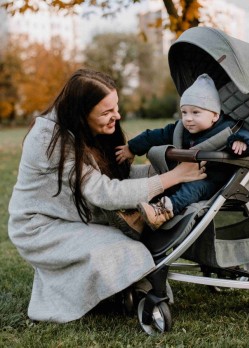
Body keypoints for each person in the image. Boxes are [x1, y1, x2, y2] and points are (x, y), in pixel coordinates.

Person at [7, 68, 207, 323]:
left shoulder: (88, 133)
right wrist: (174, 177)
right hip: (40, 229)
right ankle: (125, 291)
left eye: (116, 107)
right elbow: (104, 192)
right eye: (107, 112)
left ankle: (124, 287)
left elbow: (117, 178)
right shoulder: (50, 141)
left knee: (131, 245)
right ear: (81, 114)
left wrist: (161, 170)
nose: (118, 116)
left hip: (71, 220)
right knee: (125, 249)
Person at [116, 74, 249, 230]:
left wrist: (241, 141)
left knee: (192, 189)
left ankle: (163, 212)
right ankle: (138, 218)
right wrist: (131, 148)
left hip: (211, 179)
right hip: (184, 173)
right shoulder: (181, 129)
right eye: (184, 112)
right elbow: (153, 135)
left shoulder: (229, 129)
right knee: (164, 183)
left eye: (195, 112)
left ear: (214, 115)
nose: (188, 119)